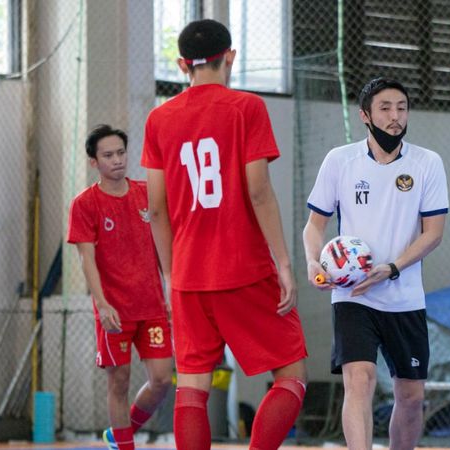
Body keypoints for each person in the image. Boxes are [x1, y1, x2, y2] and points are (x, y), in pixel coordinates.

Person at [141, 19, 307, 450]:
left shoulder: (159, 119)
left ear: (182, 65)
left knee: (192, 387)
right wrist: (285, 264)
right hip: (245, 267)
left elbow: (155, 208)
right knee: (291, 376)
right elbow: (258, 190)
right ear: (229, 57)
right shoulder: (246, 108)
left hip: (189, 273)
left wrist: (171, 274)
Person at [302, 77, 448, 450]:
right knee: (360, 380)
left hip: (404, 296)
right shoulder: (340, 160)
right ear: (365, 115)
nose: (395, 116)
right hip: (353, 294)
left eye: (401, 108)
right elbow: (314, 226)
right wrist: (311, 261)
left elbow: (433, 233)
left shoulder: (427, 163)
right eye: (385, 108)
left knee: (412, 397)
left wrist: (393, 268)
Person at [67, 124, 173, 450]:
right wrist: (102, 303)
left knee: (161, 380)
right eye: (108, 155)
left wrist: (170, 290)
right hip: (114, 310)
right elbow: (87, 259)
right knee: (120, 380)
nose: (117, 160)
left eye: (121, 153)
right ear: (93, 162)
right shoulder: (85, 204)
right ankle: (124, 445)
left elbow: (163, 246)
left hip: (153, 306)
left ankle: (118, 433)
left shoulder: (146, 194)